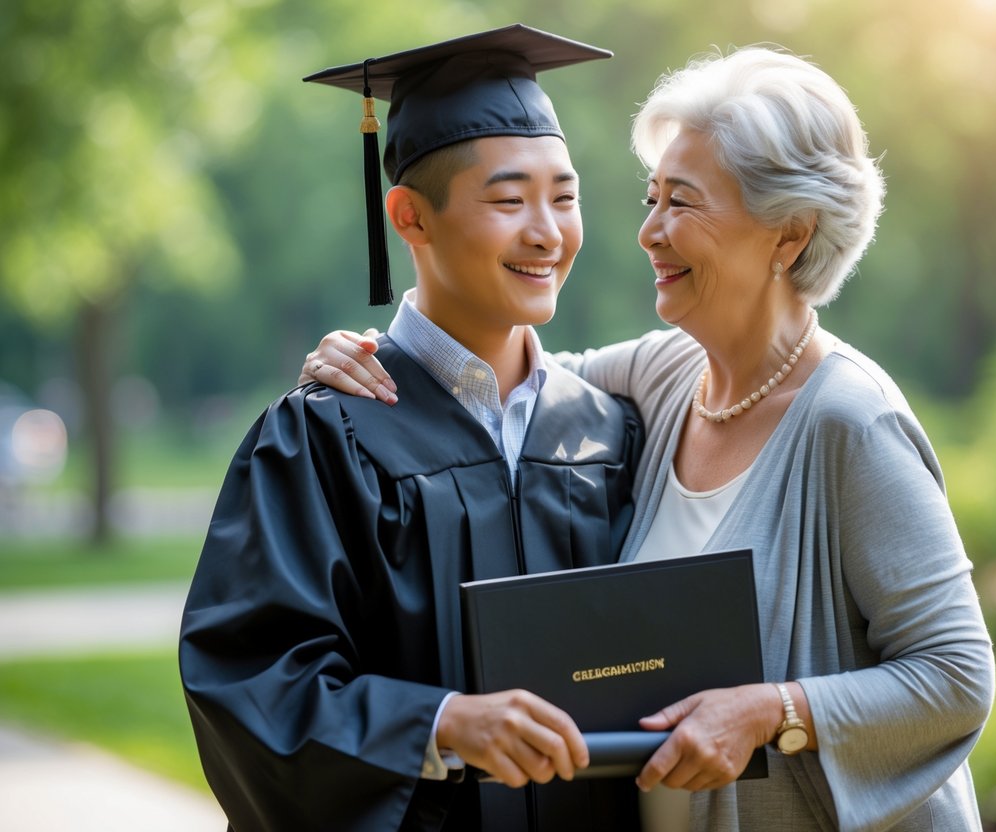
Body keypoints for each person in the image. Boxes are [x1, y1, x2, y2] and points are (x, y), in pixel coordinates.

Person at [301, 45, 996, 831]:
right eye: (650, 195)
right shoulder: (664, 377)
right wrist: (360, 356)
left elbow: (957, 674)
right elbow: (499, 370)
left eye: (683, 203)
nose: (647, 232)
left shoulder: (848, 421)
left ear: (788, 235)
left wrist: (772, 712)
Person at [179, 25, 646, 832]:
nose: (546, 231)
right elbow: (253, 679)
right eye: (508, 200)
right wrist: (438, 726)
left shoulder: (607, 429)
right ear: (409, 218)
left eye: (564, 197)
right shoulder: (324, 437)